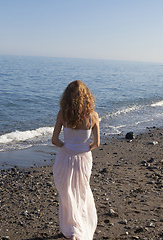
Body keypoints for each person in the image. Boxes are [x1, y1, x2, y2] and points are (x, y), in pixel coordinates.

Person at [52, 80, 100, 240]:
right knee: (82, 191)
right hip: (84, 158)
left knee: (67, 193)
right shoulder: (93, 116)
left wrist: (67, 147)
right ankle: (80, 229)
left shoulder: (62, 115)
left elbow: (54, 140)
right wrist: (84, 149)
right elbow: (96, 143)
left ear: (67, 97)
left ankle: (72, 229)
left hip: (65, 157)